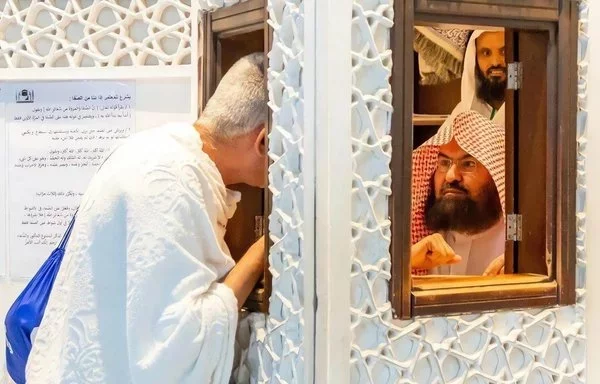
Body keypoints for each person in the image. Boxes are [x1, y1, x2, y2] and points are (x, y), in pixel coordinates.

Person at [25, 53, 268, 384]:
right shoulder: (173, 180)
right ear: (263, 140)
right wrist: (263, 250)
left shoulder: (150, 149)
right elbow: (174, 352)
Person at [410, 110, 505, 276]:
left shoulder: (515, 250)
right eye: (443, 163)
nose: (451, 175)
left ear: (497, 173)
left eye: (468, 164)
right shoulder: (422, 244)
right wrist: (407, 264)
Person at [443, 29, 507, 129]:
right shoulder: (462, 115)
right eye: (486, 53)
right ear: (474, 59)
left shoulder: (534, 112)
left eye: (504, 52)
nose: (495, 62)